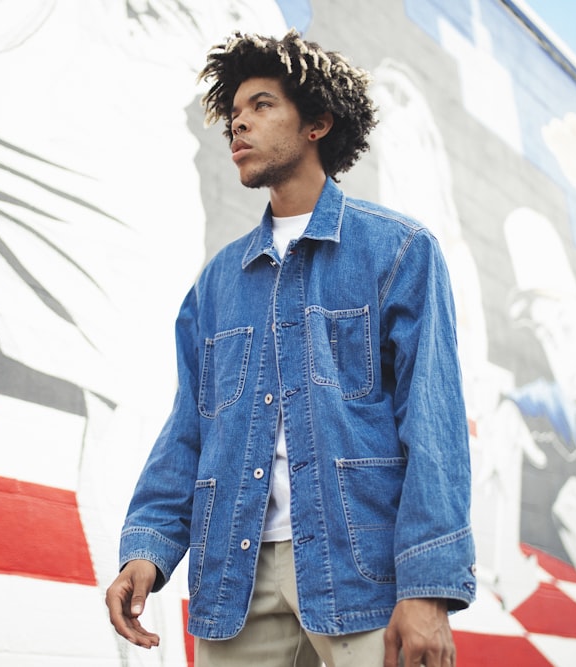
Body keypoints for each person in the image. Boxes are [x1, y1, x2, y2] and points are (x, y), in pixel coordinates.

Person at [105, 30, 476, 667]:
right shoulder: (217, 283)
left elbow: (434, 425)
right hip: (235, 582)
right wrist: (150, 545)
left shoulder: (399, 252)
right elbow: (190, 429)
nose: (238, 124)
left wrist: (428, 589)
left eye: (261, 105)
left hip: (362, 577)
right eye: (233, 113)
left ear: (318, 124)